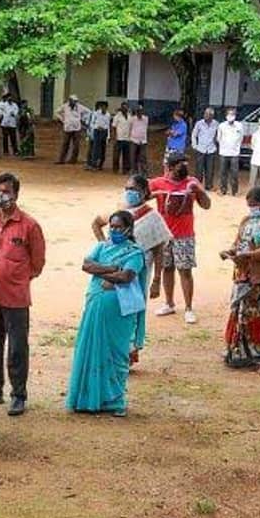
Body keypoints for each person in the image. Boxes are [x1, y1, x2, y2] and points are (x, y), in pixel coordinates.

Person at [0, 173, 45, 417]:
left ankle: (18, 394)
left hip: (15, 297)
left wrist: (16, 278)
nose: (0, 196)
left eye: (5, 191)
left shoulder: (29, 226)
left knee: (17, 347)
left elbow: (37, 264)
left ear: (16, 194)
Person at [66, 211, 146, 415]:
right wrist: (111, 268)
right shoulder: (102, 246)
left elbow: (127, 276)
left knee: (117, 354)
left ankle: (115, 400)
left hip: (120, 312)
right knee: (89, 350)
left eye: (119, 227)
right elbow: (86, 265)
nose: (114, 230)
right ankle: (87, 399)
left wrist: (102, 271)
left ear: (128, 229)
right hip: (95, 306)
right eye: (112, 226)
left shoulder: (135, 253)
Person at [93, 174, 172, 361]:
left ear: (144, 192)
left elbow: (159, 249)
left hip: (138, 272)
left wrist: (157, 280)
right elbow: (96, 223)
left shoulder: (152, 217)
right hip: (113, 270)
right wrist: (106, 247)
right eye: (127, 188)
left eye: (134, 190)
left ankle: (127, 351)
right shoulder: (119, 210)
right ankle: (111, 349)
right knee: (111, 307)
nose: (129, 193)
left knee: (132, 308)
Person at [221, 187, 260, 370]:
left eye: (254, 205)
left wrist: (250, 255)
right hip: (243, 274)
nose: (251, 209)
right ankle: (238, 350)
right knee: (240, 312)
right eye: (249, 205)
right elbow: (238, 243)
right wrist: (229, 252)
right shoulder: (246, 220)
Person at [150, 151, 211, 324]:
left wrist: (199, 191)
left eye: (185, 163)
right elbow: (138, 196)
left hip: (185, 234)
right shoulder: (158, 183)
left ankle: (189, 307)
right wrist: (155, 194)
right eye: (180, 164)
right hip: (164, 234)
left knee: (185, 270)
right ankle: (169, 303)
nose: (184, 167)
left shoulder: (192, 182)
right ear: (169, 167)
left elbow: (206, 205)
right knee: (166, 268)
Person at [216, 108, 244, 196]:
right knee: (222, 173)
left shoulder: (239, 126)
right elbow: (218, 138)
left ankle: (234, 191)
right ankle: (223, 190)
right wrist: (224, 145)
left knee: (234, 173)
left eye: (232, 114)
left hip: (234, 153)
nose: (230, 116)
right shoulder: (221, 126)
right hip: (224, 152)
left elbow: (241, 138)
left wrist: (235, 146)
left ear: (235, 116)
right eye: (229, 114)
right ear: (226, 116)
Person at [191, 108, 218, 189]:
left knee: (210, 170)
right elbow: (194, 135)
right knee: (199, 169)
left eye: (208, 114)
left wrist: (216, 143)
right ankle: (198, 186)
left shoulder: (216, 124)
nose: (206, 116)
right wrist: (195, 145)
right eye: (205, 114)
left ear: (212, 116)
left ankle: (208, 186)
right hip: (200, 149)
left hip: (211, 149)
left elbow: (218, 135)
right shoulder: (199, 123)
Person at [57, 95, 86, 164]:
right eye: (73, 101)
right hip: (67, 128)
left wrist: (82, 119)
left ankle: (73, 160)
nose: (75, 102)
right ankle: (61, 159)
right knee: (65, 144)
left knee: (76, 145)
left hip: (77, 128)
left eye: (76, 101)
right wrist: (63, 119)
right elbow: (57, 112)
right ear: (70, 100)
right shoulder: (65, 106)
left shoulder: (79, 107)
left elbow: (88, 112)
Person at [86, 101, 111, 171]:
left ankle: (100, 164)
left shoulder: (108, 115)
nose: (103, 108)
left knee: (103, 148)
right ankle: (93, 164)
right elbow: (91, 124)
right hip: (97, 131)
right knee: (95, 149)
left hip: (104, 132)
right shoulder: (96, 114)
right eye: (102, 107)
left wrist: (108, 136)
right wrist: (97, 127)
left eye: (104, 107)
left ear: (106, 107)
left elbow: (108, 126)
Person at [112, 103, 132, 174]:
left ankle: (125, 170)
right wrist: (114, 137)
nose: (125, 109)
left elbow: (131, 127)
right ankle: (115, 169)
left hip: (127, 139)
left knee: (126, 155)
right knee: (116, 155)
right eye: (123, 107)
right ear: (121, 108)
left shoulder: (130, 116)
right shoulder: (117, 116)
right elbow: (114, 127)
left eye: (126, 107)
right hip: (119, 139)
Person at [129, 105, 150, 174]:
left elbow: (145, 129)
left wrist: (142, 139)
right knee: (133, 157)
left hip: (143, 141)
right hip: (134, 140)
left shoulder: (146, 119)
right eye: (138, 111)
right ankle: (134, 171)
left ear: (142, 112)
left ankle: (145, 172)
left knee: (143, 157)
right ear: (136, 112)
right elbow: (130, 128)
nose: (139, 113)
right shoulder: (132, 119)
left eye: (140, 111)